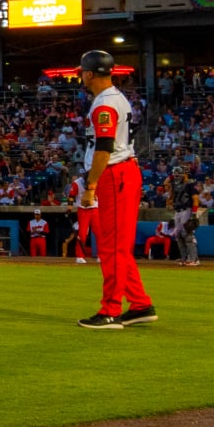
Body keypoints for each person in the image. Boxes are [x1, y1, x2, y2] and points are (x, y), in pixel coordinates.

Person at [74, 50, 155, 329]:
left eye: (82, 71)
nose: (80, 76)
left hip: (114, 173)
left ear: (89, 73)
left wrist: (91, 185)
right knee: (117, 246)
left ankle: (110, 311)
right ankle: (141, 304)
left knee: (111, 248)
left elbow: (104, 149)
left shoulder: (104, 103)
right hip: (122, 172)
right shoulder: (115, 97)